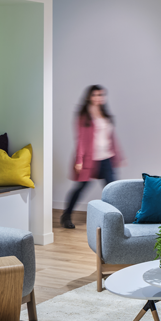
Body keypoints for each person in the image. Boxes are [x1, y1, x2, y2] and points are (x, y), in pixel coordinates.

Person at [60, 85, 125, 229]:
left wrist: (118, 156)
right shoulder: (84, 116)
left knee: (113, 189)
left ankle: (114, 220)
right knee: (80, 188)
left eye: (101, 95)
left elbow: (112, 138)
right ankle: (66, 215)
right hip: (90, 159)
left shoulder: (105, 114)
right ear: (89, 96)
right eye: (95, 95)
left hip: (106, 158)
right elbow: (81, 139)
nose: (98, 98)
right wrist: (79, 160)